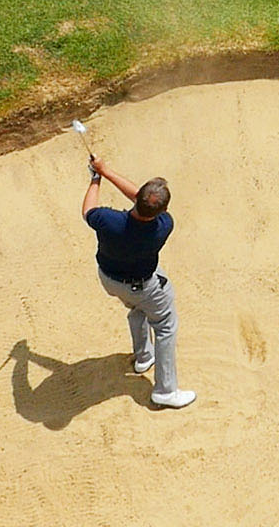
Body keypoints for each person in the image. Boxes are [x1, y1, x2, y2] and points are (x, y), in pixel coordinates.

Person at [82, 154, 196, 409]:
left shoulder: (109, 222)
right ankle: (165, 391)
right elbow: (142, 201)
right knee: (165, 325)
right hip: (145, 286)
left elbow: (88, 210)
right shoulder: (164, 224)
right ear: (162, 211)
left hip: (111, 281)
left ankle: (145, 357)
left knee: (136, 308)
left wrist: (98, 176)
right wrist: (106, 172)